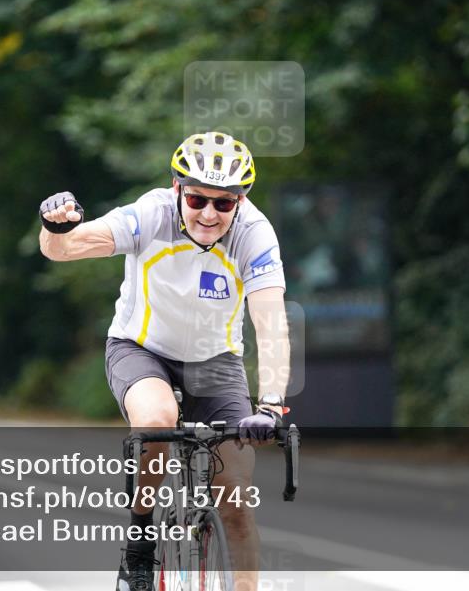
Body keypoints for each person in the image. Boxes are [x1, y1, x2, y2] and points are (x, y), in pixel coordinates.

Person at [39, 132, 290, 591]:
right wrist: (55, 226)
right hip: (141, 349)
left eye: (225, 204)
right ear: (177, 189)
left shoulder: (254, 234)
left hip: (215, 362)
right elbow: (62, 249)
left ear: (241, 201)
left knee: (235, 494)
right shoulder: (150, 214)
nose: (210, 214)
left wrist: (271, 404)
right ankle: (140, 542)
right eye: (197, 199)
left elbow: (271, 322)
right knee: (157, 418)